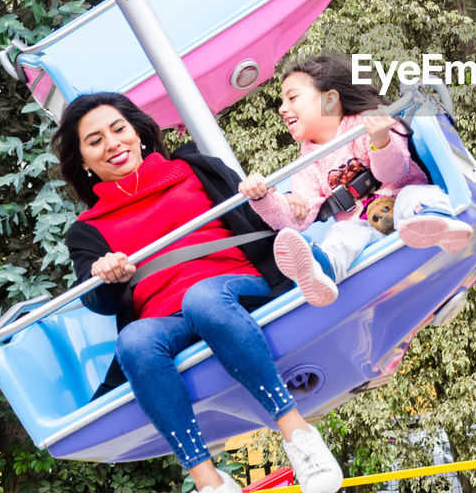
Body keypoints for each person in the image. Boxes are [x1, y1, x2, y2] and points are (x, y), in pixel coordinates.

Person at [54, 92, 341, 493]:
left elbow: (255, 218)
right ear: (83, 160)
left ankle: (298, 435)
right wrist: (106, 275)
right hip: (164, 319)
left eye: (118, 129)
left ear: (138, 131)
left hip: (236, 288)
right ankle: (209, 480)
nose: (113, 144)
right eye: (95, 140)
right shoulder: (88, 229)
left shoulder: (193, 169)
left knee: (203, 298)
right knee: (133, 341)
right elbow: (97, 300)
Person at [238, 55, 472, 306]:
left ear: (329, 100)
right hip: (364, 228)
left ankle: (438, 222)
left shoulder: (369, 122)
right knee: (342, 233)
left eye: (292, 98)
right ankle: (322, 270)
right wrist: (262, 197)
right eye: (283, 100)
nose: (282, 108)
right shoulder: (307, 163)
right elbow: (297, 218)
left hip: (404, 205)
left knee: (415, 196)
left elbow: (392, 173)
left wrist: (380, 141)